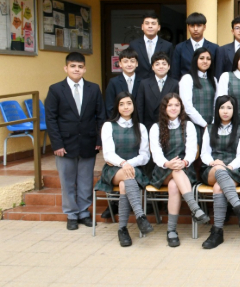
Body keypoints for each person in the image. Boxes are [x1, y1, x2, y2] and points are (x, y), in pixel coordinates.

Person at [45, 52, 106, 230]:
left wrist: (99, 138)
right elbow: (51, 119)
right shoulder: (56, 89)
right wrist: (57, 144)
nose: (76, 69)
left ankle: (84, 212)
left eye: (80, 67)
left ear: (84, 69)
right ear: (66, 68)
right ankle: (71, 214)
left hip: (88, 142)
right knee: (67, 180)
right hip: (65, 144)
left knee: (86, 180)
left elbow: (101, 116)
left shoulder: (93, 88)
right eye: (73, 66)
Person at [149, 93, 210, 247]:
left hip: (184, 169)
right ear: (164, 108)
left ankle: (171, 230)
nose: (173, 108)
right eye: (170, 105)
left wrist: (184, 162)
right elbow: (156, 153)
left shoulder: (188, 126)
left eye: (177, 105)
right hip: (163, 169)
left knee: (174, 186)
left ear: (181, 108)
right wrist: (168, 164)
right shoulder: (156, 128)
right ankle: (194, 207)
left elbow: (191, 150)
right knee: (174, 173)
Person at [94, 92, 154, 246]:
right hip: (113, 169)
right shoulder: (109, 126)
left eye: (129, 103)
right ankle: (140, 216)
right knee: (127, 176)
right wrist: (123, 163)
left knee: (124, 185)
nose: (125, 107)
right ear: (117, 107)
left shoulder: (140, 127)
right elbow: (108, 154)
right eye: (121, 104)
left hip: (134, 169)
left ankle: (122, 229)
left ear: (134, 106)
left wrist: (128, 164)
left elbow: (145, 156)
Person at [199, 95, 240, 249]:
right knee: (218, 170)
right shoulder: (209, 128)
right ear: (217, 110)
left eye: (229, 107)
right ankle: (239, 207)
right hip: (211, 169)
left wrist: (229, 166)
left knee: (218, 187)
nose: (225, 111)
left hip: (233, 170)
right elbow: (204, 153)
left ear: (234, 110)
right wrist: (213, 163)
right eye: (222, 107)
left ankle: (217, 231)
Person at [179, 47, 217, 144]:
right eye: (201, 58)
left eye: (208, 59)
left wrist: (213, 123)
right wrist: (204, 124)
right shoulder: (187, 78)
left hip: (211, 126)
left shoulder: (213, 80)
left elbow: (216, 104)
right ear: (195, 60)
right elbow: (187, 106)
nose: (205, 61)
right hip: (193, 124)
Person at [136, 51, 179, 131]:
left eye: (164, 64)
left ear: (169, 66)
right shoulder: (144, 84)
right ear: (152, 67)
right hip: (149, 125)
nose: (161, 67)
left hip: (169, 125)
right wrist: (141, 127)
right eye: (157, 64)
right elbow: (140, 107)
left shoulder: (175, 84)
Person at [171, 12, 218, 80]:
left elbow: (216, 71)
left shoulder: (214, 48)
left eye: (199, 26)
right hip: (186, 84)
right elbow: (175, 73)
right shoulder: (179, 48)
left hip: (208, 84)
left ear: (204, 27)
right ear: (188, 27)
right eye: (192, 26)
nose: (195, 29)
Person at [128, 14, 173, 81]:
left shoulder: (167, 45)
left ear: (159, 27)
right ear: (142, 27)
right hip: (139, 83)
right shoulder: (134, 45)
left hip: (160, 83)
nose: (150, 26)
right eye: (147, 23)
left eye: (153, 23)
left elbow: (172, 68)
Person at [105, 48, 140, 116]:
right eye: (125, 61)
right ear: (120, 64)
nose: (129, 64)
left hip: (138, 120)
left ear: (137, 63)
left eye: (132, 61)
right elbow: (109, 106)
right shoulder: (113, 82)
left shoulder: (143, 82)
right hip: (119, 120)